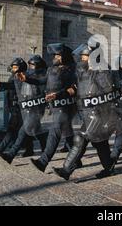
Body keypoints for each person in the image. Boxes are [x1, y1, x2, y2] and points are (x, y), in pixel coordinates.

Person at [53, 43, 122, 181]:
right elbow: (74, 89)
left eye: (84, 57)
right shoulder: (83, 73)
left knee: (81, 137)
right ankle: (109, 168)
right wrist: (58, 95)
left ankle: (66, 170)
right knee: (100, 143)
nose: (81, 59)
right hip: (89, 113)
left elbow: (108, 91)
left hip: (100, 113)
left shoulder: (103, 71)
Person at [30, 44, 78, 173]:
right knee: (67, 134)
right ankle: (76, 160)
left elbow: (73, 89)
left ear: (64, 57)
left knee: (54, 131)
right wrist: (27, 79)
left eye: (57, 55)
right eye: (55, 55)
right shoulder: (52, 69)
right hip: (56, 106)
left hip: (66, 106)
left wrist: (57, 94)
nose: (54, 57)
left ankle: (43, 161)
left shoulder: (72, 70)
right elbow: (41, 80)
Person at [0, 55, 49, 164]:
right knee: (36, 131)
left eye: (32, 65)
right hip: (28, 107)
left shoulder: (43, 76)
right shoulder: (25, 76)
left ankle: (10, 155)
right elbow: (13, 86)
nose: (30, 67)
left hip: (37, 108)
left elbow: (40, 84)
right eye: (29, 65)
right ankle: (45, 146)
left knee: (22, 131)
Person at [0, 58, 34, 157]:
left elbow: (12, 86)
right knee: (23, 129)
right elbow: (6, 86)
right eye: (12, 67)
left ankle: (1, 148)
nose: (13, 69)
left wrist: (0, 84)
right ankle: (30, 148)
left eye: (15, 67)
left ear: (21, 67)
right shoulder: (13, 76)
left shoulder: (22, 77)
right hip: (14, 107)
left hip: (20, 107)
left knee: (12, 129)